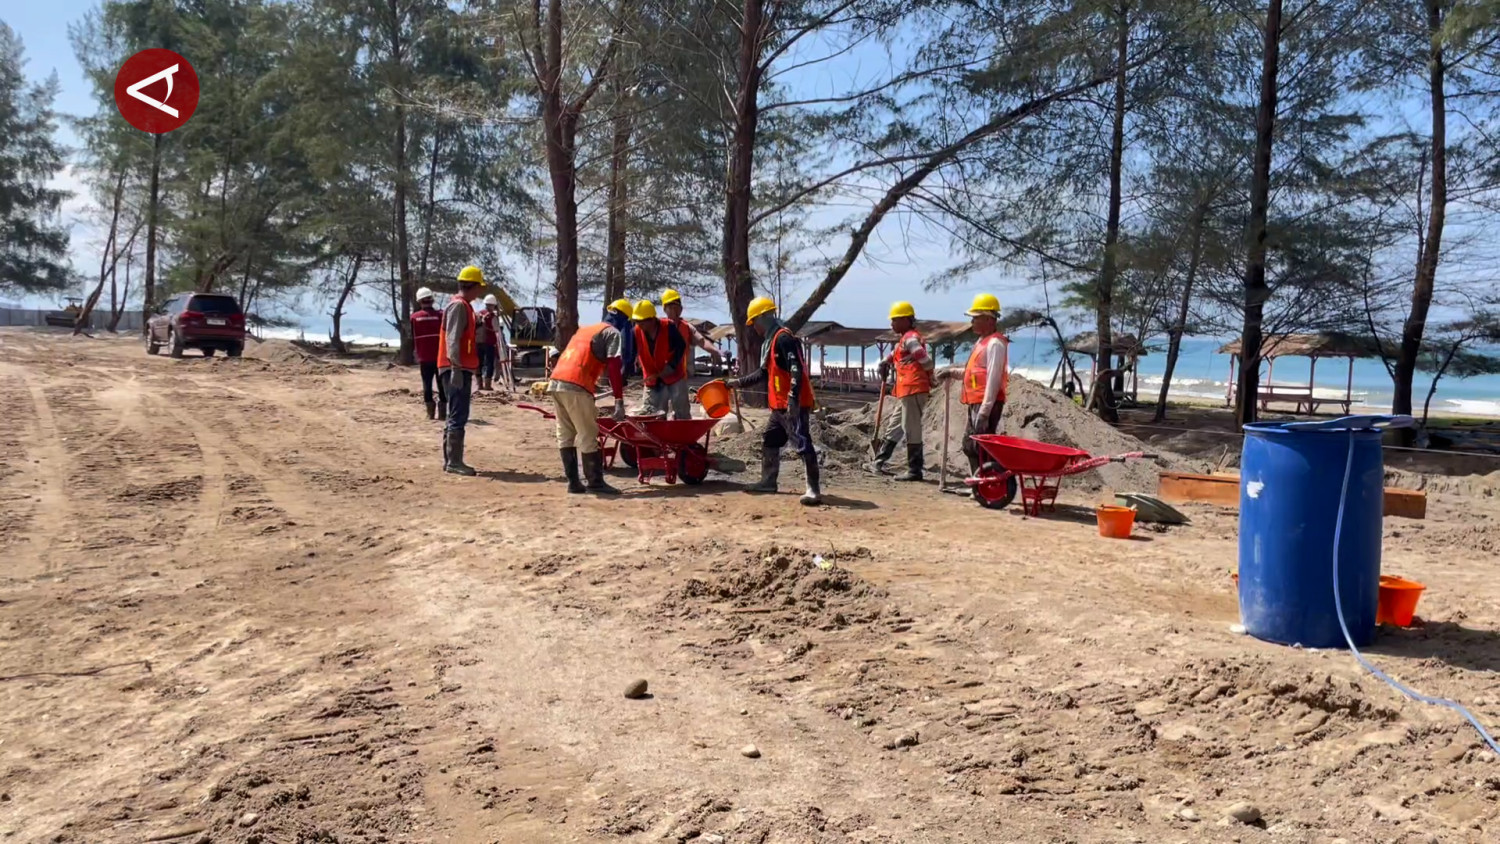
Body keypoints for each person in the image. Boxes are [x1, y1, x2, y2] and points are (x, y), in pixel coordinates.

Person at [725, 297, 822, 506]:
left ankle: (813, 490)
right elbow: (763, 373)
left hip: (792, 405)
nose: (754, 327)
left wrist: (793, 398)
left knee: (802, 443)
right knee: (770, 439)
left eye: (754, 322)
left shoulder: (784, 339)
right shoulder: (770, 343)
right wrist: (738, 383)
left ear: (764, 317)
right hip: (778, 407)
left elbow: (797, 369)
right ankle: (768, 481)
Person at [937, 293, 1010, 485]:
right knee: (971, 446)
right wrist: (952, 372)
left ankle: (989, 484)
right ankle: (980, 483)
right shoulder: (981, 342)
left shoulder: (995, 344)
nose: (972, 322)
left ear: (989, 319)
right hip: (975, 402)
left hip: (986, 403)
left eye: (976, 318)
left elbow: (993, 379)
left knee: (980, 447)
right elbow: (973, 373)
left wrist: (985, 411)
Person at [548, 321, 628, 494]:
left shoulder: (585, 331)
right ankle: (595, 482)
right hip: (577, 384)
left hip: (556, 381)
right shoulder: (613, 333)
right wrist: (619, 400)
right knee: (588, 434)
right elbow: (614, 365)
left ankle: (573, 483)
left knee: (565, 434)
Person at [872, 301, 934, 481]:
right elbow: (895, 354)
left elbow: (925, 359)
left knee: (911, 428)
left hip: (913, 388)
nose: (891, 324)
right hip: (905, 390)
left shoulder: (911, 339)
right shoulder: (904, 339)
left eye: (895, 320)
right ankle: (879, 461)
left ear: (906, 320)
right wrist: (885, 362)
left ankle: (915, 470)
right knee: (895, 425)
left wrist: (929, 374)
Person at [439, 265, 487, 475]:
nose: (480, 292)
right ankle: (454, 462)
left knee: (455, 413)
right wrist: (456, 368)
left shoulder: (463, 306)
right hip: (455, 367)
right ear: (472, 286)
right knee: (458, 414)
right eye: (479, 287)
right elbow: (452, 339)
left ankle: (451, 460)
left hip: (457, 366)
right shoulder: (459, 306)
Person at [631, 300, 691, 418]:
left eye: (642, 322)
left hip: (674, 375)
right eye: (637, 321)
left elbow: (681, 346)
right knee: (652, 413)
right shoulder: (636, 331)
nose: (639, 324)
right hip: (652, 378)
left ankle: (682, 427)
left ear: (652, 319)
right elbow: (629, 354)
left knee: (681, 412)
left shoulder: (668, 327)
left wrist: (671, 366)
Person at [661, 288, 725, 380]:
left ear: (681, 309)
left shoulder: (687, 327)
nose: (674, 311)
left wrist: (717, 351)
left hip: (680, 377)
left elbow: (702, 342)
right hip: (661, 376)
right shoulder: (659, 327)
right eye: (670, 308)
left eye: (676, 307)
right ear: (665, 309)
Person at [410, 287, 447, 420]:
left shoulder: (414, 317)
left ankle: (430, 414)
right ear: (432, 300)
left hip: (424, 357)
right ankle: (442, 414)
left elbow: (411, 337)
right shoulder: (441, 315)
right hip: (440, 357)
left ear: (419, 301)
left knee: (427, 384)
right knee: (442, 385)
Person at [605, 298, 638, 381]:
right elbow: (625, 347)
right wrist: (625, 370)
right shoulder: (625, 323)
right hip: (614, 374)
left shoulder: (602, 325)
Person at [476, 293, 501, 391]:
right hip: (489, 343)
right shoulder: (492, 316)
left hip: (478, 342)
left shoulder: (478, 314)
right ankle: (487, 385)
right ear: (493, 305)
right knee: (489, 363)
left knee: (479, 363)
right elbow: (497, 329)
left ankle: (479, 384)